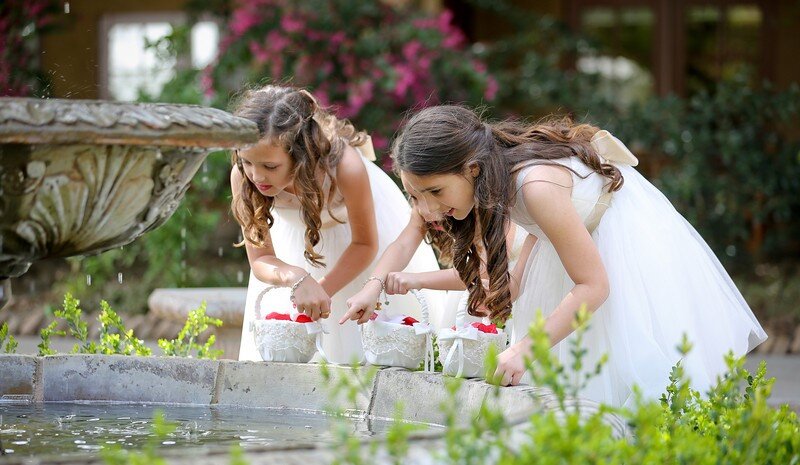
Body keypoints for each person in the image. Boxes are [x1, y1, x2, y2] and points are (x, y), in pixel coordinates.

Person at [390, 104, 767, 407]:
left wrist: (525, 348)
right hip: (576, 251)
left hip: (621, 250)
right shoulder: (500, 182)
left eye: (434, 191)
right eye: (415, 195)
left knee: (634, 384)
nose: (426, 209)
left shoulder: (534, 186)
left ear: (471, 168)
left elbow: (594, 285)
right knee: (569, 379)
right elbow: (519, 277)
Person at [230, 85, 440, 364]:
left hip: (359, 248)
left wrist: (321, 291)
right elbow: (261, 259)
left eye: (270, 167)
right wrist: (297, 279)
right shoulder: (243, 178)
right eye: (247, 162)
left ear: (300, 155)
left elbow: (366, 244)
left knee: (364, 354)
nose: (257, 175)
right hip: (298, 252)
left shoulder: (344, 166)